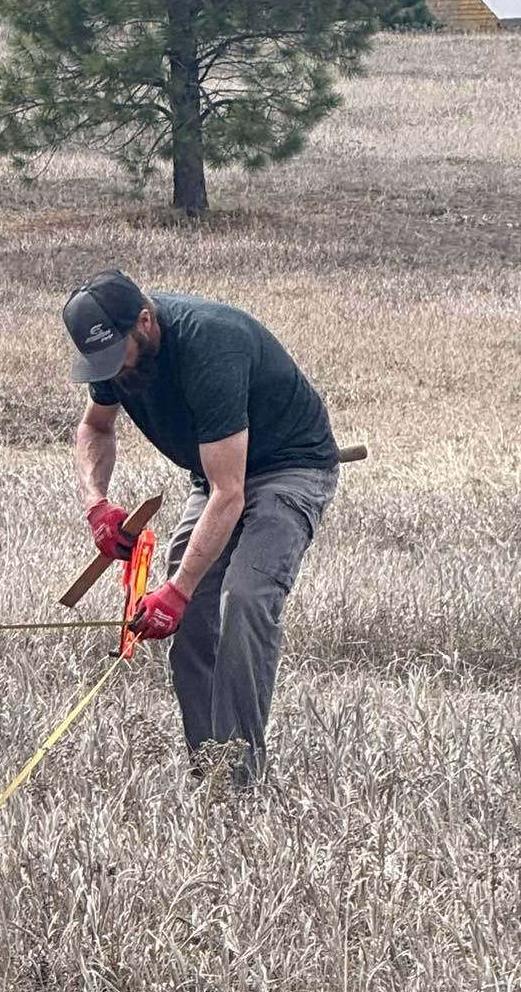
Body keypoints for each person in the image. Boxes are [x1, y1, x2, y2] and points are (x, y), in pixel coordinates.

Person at [64, 269, 340, 787]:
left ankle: (241, 780)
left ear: (144, 322)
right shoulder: (112, 355)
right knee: (189, 618)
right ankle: (209, 771)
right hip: (213, 475)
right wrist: (96, 504)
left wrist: (178, 590)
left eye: (117, 356)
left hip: (290, 468)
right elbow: (94, 426)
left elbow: (230, 493)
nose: (113, 372)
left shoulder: (212, 346)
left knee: (244, 597)